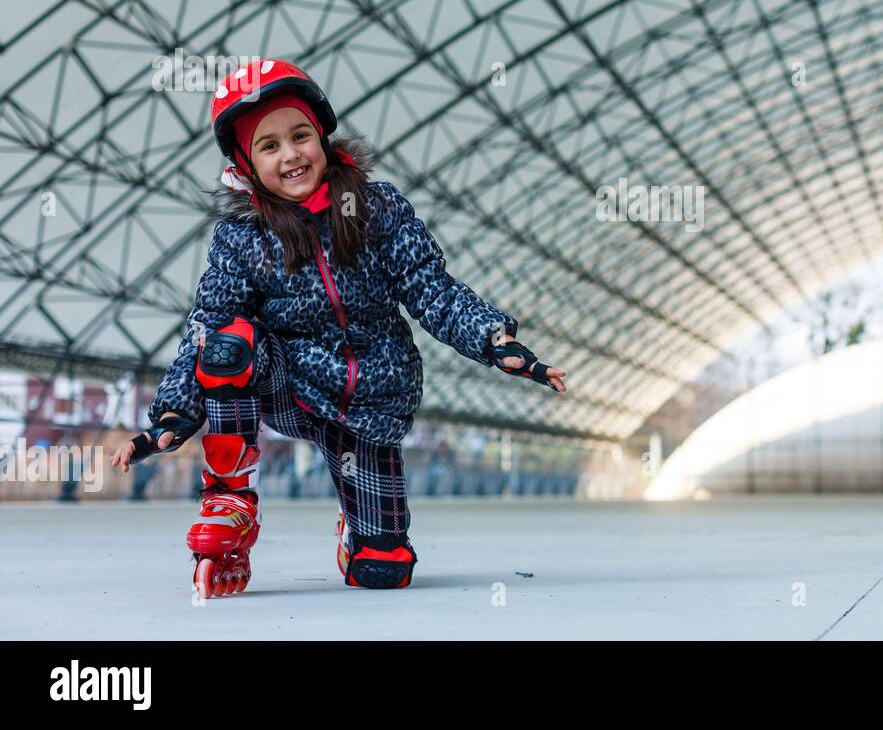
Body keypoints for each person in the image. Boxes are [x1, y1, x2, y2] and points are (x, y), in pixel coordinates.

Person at [110, 59, 565, 596]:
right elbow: (207, 326)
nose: (291, 155)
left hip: (372, 399)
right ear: (247, 164)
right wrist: (173, 412)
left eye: (300, 135)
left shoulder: (376, 209)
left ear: (322, 137)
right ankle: (230, 499)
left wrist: (495, 341)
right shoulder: (242, 237)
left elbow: (430, 288)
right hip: (291, 384)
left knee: (383, 569)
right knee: (229, 341)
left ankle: (363, 530)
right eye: (269, 146)